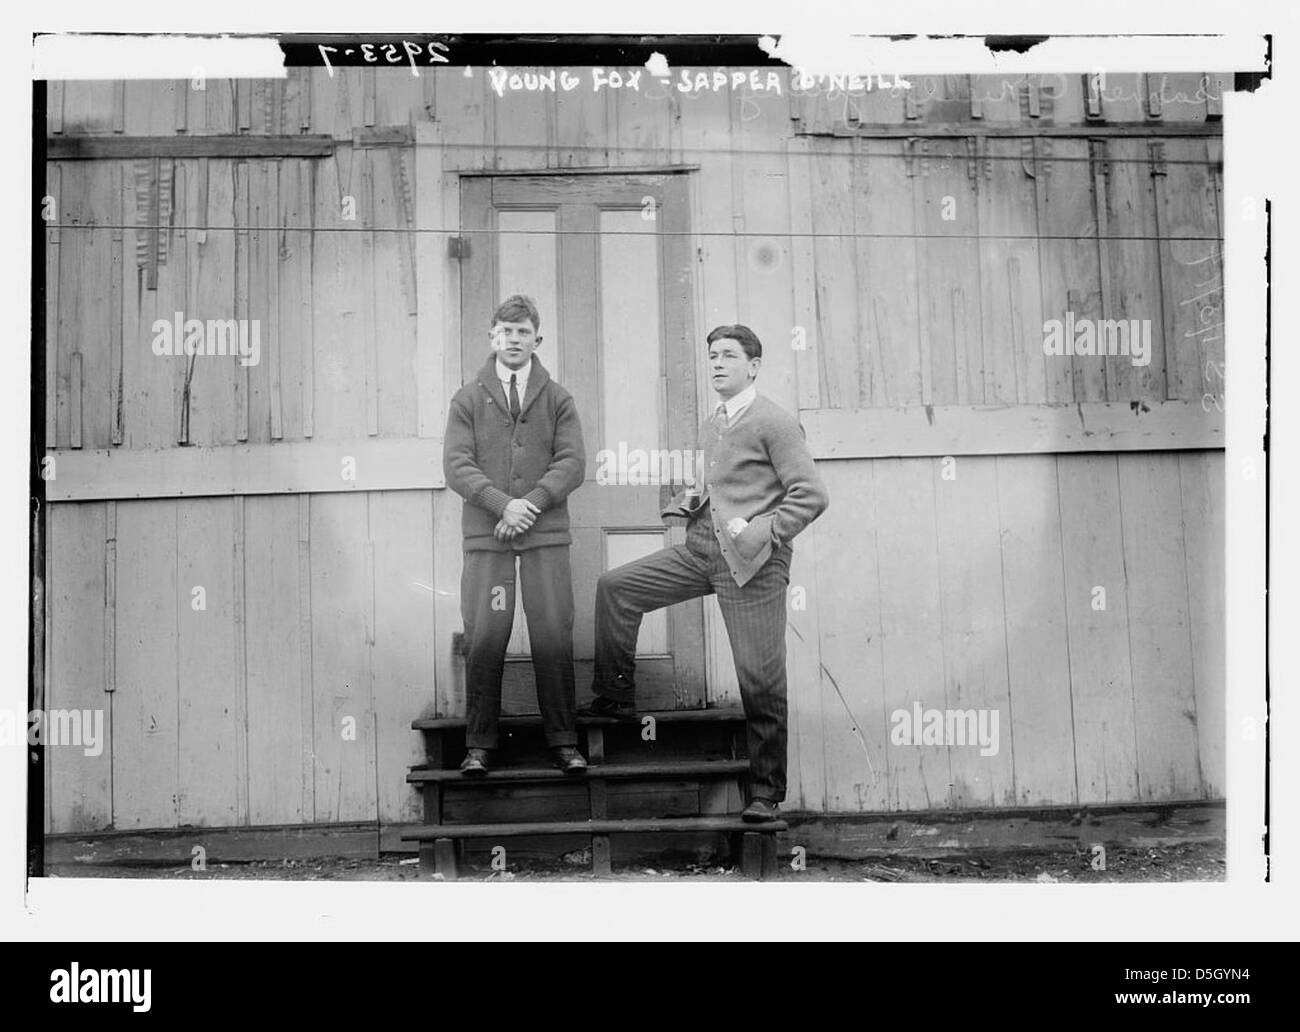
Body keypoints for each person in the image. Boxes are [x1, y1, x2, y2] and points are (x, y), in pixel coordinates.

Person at [582, 324, 829, 821]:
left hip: (754, 565)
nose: (717, 364)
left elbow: (811, 495)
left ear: (753, 366)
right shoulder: (713, 422)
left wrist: (761, 531)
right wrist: (691, 502)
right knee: (617, 588)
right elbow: (724, 487)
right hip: (703, 550)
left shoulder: (775, 423)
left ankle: (764, 795)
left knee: (759, 680)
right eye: (712, 355)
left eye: (729, 356)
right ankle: (614, 698)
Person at [443, 294, 587, 776]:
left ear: (536, 339)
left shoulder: (558, 398)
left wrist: (532, 505)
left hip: (545, 538)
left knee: (552, 634)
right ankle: (480, 745)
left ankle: (564, 741)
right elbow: (456, 465)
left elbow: (572, 462)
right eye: (506, 331)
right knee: (486, 635)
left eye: (523, 332)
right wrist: (504, 505)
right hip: (488, 540)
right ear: (492, 337)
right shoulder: (467, 399)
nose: (514, 340)